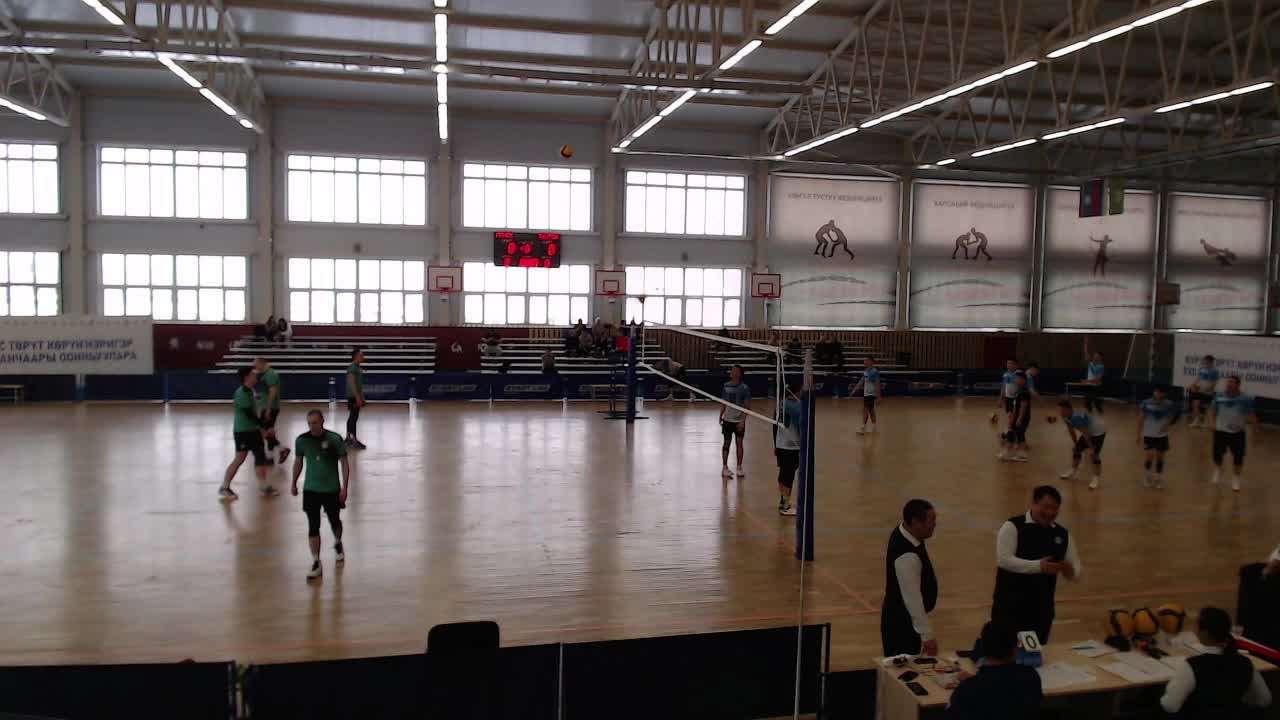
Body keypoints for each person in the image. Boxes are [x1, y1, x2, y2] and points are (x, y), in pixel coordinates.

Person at [991, 485, 1082, 644]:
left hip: (1041, 612)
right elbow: (1004, 560)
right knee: (1004, 652)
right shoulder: (1013, 526)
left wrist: (1070, 571)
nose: (1050, 513)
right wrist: (1039, 566)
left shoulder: (1062, 534)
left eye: (1055, 509)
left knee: (1036, 655)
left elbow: (1076, 570)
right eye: (1046, 507)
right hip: (1009, 608)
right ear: (1033, 503)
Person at [1159, 607, 1272, 715]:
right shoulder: (1245, 662)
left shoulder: (1192, 665)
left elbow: (1170, 706)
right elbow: (1264, 700)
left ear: (1205, 633)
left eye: (1196, 624)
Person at [291, 409, 351, 581]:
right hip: (311, 489)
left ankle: (338, 541)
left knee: (335, 521)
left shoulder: (334, 439)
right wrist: (293, 482)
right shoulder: (302, 440)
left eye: (315, 423)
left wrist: (344, 488)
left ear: (322, 421)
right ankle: (316, 561)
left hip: (331, 489)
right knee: (313, 525)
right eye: (309, 423)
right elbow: (298, 462)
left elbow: (344, 463)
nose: (312, 426)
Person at [946, 620, 1043, 720]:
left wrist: (973, 681)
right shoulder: (1031, 676)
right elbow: (1002, 686)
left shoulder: (967, 689)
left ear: (983, 648)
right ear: (1015, 649)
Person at [881, 499, 938, 657]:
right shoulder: (906, 555)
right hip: (902, 628)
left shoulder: (907, 532)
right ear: (915, 522)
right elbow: (912, 599)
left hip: (904, 621)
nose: (934, 525)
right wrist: (927, 636)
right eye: (931, 521)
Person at [219, 368, 277, 500]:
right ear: (246, 377)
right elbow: (250, 416)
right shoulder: (241, 393)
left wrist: (263, 427)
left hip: (253, 431)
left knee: (260, 456)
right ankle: (225, 487)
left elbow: (255, 413)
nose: (256, 376)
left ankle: (263, 487)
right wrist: (265, 427)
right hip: (243, 432)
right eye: (253, 374)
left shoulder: (251, 391)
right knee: (240, 458)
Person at [1208, 375, 1258, 492]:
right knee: (1217, 454)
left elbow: (1252, 415)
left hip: (1238, 433)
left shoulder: (1246, 399)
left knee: (1238, 457)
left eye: (1232, 382)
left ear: (1238, 385)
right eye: (1228, 382)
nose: (1229, 384)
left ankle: (1236, 478)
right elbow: (1212, 410)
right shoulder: (1219, 396)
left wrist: (1256, 433)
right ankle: (1218, 470)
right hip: (1220, 431)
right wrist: (1211, 423)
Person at [1058, 399, 1106, 490]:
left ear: (1068, 409)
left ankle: (1096, 478)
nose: (1060, 412)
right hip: (1088, 432)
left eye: (1062, 410)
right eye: (1059, 410)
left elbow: (1085, 433)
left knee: (1094, 455)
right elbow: (1071, 431)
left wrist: (1091, 448)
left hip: (1098, 433)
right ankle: (1073, 470)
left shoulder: (1077, 418)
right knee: (1077, 449)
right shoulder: (1065, 417)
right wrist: (1075, 444)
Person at [1137, 385, 1177, 489]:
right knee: (1149, 456)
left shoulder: (1169, 404)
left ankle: (1159, 478)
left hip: (1162, 436)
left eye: (1160, 392)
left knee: (1160, 457)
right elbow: (1141, 418)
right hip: (1148, 434)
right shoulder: (1146, 403)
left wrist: (1167, 424)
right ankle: (1147, 476)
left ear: (1164, 393)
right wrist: (1138, 434)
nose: (1158, 394)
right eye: (1156, 391)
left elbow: (1173, 415)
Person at [254, 357, 290, 465]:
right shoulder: (267, 374)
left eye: (256, 365)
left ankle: (282, 449)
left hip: (270, 407)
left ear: (262, 363)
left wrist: (268, 408)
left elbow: (273, 391)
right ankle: (270, 457)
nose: (255, 368)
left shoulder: (270, 374)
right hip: (268, 406)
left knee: (262, 430)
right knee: (269, 431)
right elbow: (269, 391)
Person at [774, 381, 802, 517]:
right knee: (788, 477)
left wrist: (775, 444)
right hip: (792, 446)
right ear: (797, 391)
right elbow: (801, 427)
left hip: (780, 444)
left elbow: (774, 426)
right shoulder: (797, 406)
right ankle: (785, 506)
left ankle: (782, 501)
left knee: (783, 475)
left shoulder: (780, 404)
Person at [719, 364, 751, 479]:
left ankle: (739, 467)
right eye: (732, 370)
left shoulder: (745, 388)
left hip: (738, 421)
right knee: (726, 443)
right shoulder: (726, 386)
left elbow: (747, 407)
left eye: (735, 370)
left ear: (740, 374)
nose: (732, 372)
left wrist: (742, 421)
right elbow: (723, 402)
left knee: (739, 444)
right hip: (727, 420)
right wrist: (721, 414)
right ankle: (724, 467)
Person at [998, 372, 1031, 463]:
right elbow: (1016, 406)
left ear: (1023, 380)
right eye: (1016, 379)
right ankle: (1007, 454)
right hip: (1016, 416)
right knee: (1012, 434)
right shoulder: (1019, 391)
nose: (1016, 380)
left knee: (1019, 436)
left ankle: (1021, 456)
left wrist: (1019, 418)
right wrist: (1012, 415)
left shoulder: (1024, 392)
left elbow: (1023, 406)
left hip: (1022, 417)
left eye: (1018, 379)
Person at [849, 356, 882, 434]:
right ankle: (874, 427)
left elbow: (877, 383)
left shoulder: (874, 371)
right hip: (866, 394)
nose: (864, 362)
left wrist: (878, 396)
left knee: (865, 410)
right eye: (864, 361)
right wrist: (854, 390)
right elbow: (861, 381)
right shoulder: (866, 371)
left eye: (866, 360)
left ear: (871, 362)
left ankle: (863, 428)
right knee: (871, 410)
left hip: (871, 393)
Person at [1188, 354, 1221, 428]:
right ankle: (1196, 420)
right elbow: (1198, 378)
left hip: (1208, 391)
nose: (1205, 362)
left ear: (1211, 361)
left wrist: (1210, 388)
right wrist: (1193, 385)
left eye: (1207, 361)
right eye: (1205, 360)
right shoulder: (1202, 369)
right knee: (1195, 404)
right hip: (1199, 389)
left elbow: (1215, 381)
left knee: (1206, 407)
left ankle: (1205, 422)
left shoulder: (1215, 371)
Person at [345, 348, 367, 450]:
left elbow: (359, 385)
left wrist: (362, 397)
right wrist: (357, 397)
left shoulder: (358, 368)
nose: (363, 357)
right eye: (361, 355)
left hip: (357, 396)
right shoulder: (352, 368)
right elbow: (352, 383)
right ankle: (352, 440)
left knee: (353, 416)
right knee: (353, 417)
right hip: (353, 396)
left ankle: (349, 438)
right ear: (355, 356)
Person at [1082, 338, 1105, 413]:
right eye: (1094, 356)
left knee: (1097, 404)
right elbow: (1086, 353)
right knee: (1087, 403)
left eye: (1097, 356)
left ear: (1100, 358)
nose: (1095, 357)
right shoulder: (1090, 363)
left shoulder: (1101, 367)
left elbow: (1098, 379)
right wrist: (1085, 344)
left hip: (1096, 387)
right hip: (1089, 386)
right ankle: (1090, 414)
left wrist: (1087, 381)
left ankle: (1100, 414)